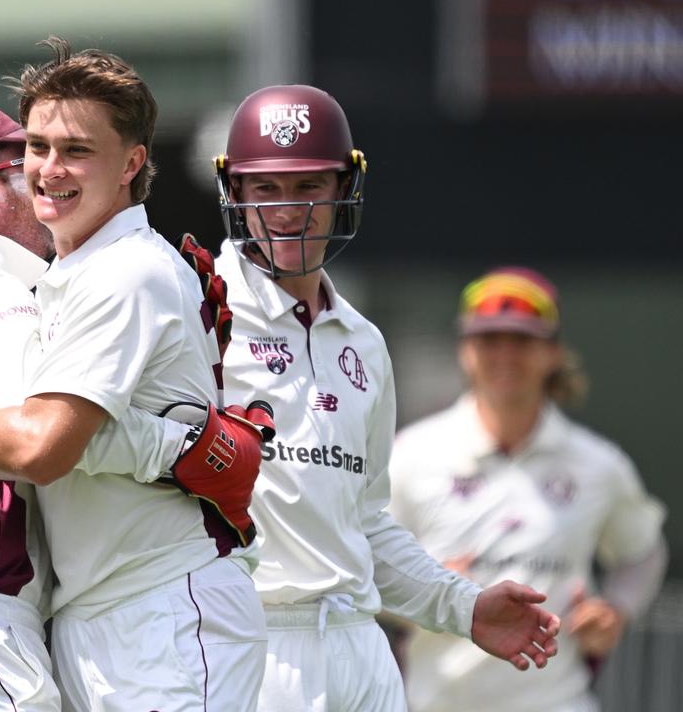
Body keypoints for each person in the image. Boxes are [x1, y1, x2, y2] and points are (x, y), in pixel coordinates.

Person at [0, 38, 270, 711]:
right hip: (102, 618)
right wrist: (181, 447)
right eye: (36, 147)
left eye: (77, 150)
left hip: (161, 607)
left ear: (132, 164)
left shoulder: (125, 271)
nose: (49, 169)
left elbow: (41, 447)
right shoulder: (68, 277)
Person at [210, 84, 561, 711]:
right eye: (266, 188)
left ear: (346, 186)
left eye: (309, 186)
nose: (288, 210)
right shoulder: (198, 313)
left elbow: (366, 523)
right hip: (250, 646)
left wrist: (465, 606)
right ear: (233, 192)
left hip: (361, 651)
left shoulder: (365, 344)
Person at [387, 267, 669, 712]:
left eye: (522, 341)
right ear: (465, 352)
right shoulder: (412, 453)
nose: (505, 355)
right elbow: (363, 571)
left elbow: (643, 554)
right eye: (489, 340)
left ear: (553, 353)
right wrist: (430, 592)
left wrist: (616, 611)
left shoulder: (598, 463)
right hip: (435, 702)